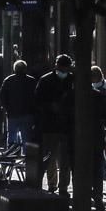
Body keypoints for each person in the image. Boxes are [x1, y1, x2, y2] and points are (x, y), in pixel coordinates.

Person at [35, 54, 75, 196]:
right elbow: (38, 101)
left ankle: (62, 186)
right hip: (50, 125)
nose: (63, 70)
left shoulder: (72, 80)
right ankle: (53, 185)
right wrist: (50, 106)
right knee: (52, 158)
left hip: (65, 126)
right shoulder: (46, 80)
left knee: (64, 160)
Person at [83, 70, 106, 211]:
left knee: (81, 170)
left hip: (81, 141)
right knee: (97, 171)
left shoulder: (72, 96)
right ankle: (97, 199)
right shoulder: (98, 96)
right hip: (96, 139)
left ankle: (85, 200)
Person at [0, 60, 37, 148]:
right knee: (27, 138)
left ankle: (11, 157)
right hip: (27, 114)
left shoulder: (8, 80)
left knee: (12, 137)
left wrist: (7, 108)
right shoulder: (31, 81)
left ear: (15, 69)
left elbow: (2, 96)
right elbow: (35, 97)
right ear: (25, 69)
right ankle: (26, 159)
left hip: (13, 114)